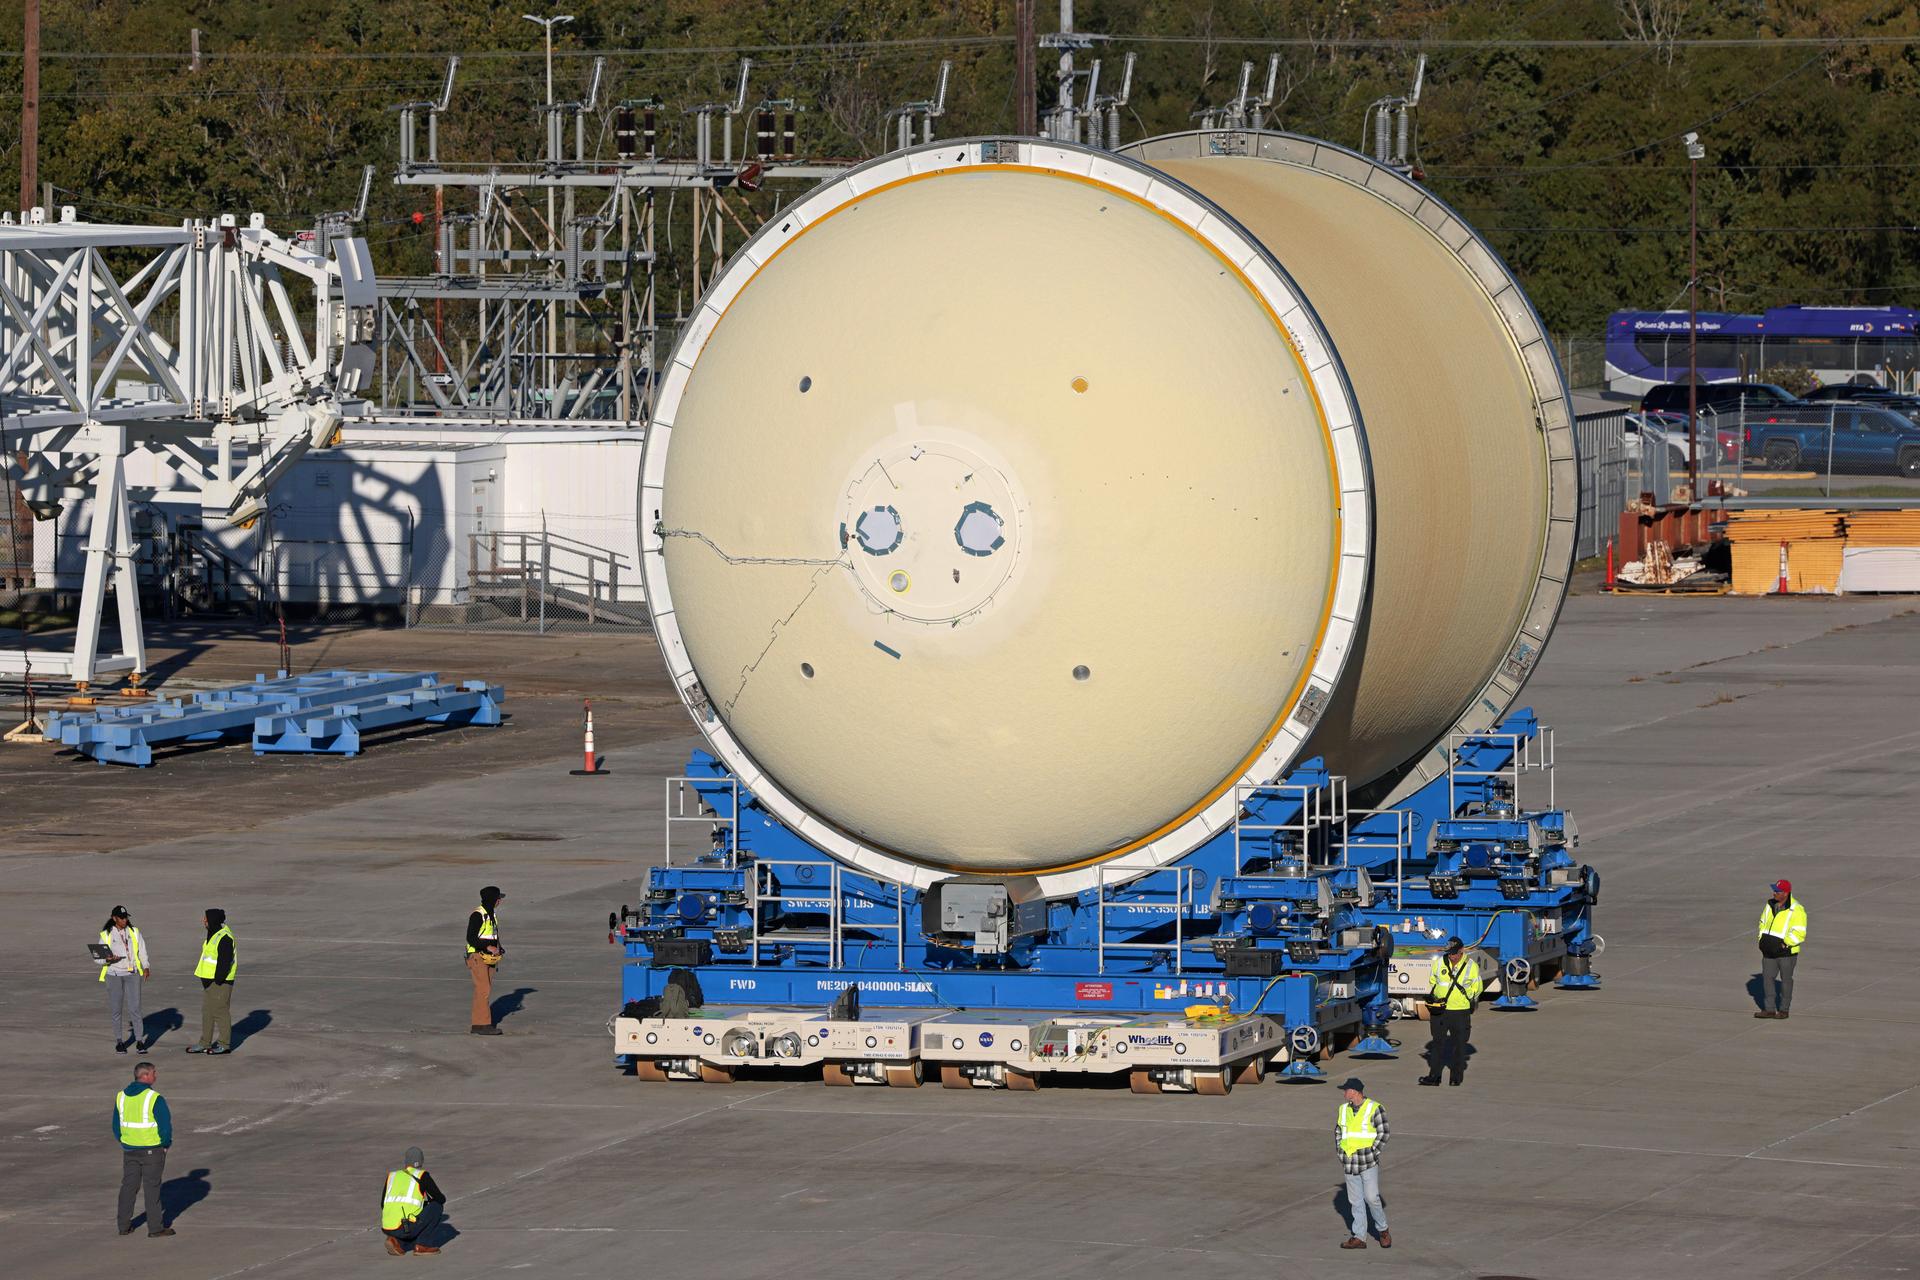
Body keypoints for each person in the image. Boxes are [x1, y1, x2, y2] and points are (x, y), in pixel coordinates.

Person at [113, 1061, 175, 1237]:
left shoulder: (121, 1097)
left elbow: (116, 1125)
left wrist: (125, 1141)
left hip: (130, 1150)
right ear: (145, 1076)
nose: (156, 1075)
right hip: (152, 1150)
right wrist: (165, 1144)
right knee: (152, 1188)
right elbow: (165, 1126)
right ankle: (155, 1228)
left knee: (128, 1187)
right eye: (154, 1072)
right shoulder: (154, 1098)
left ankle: (123, 1226)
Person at [1335, 1077, 1391, 1250]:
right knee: (1355, 1201)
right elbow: (1338, 1131)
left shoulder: (1374, 1108)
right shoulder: (1343, 1109)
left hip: (1367, 1162)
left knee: (1372, 1198)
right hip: (1350, 1163)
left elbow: (1384, 1133)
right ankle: (1359, 1237)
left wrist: (1373, 1152)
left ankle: (1383, 1230)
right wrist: (1340, 1151)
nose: (1344, 1093)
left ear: (1354, 1091)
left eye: (1346, 1090)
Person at [1419, 937, 1482, 1086]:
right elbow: (1433, 980)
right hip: (1440, 1010)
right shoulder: (1440, 962)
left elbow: (1477, 987)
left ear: (1461, 951)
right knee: (1437, 1043)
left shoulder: (1471, 966)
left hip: (1460, 1011)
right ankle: (1434, 1076)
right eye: (1449, 952)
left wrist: (1467, 997)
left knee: (1459, 1045)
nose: (1451, 956)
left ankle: (1456, 1077)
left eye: (1454, 953)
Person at [99, 905, 151, 1053]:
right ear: (114, 918)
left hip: (132, 974)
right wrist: (108, 959)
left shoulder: (134, 932)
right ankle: (119, 1041)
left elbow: (142, 950)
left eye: (126, 917)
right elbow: (98, 959)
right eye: (121, 918)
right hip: (114, 975)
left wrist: (146, 966)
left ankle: (140, 1041)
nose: (125, 920)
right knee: (116, 1010)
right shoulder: (106, 935)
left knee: (135, 1008)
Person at [1756, 879, 1809, 1019]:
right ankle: (1769, 1009)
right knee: (1767, 979)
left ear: (1785, 893)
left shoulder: (1796, 909)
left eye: (1777, 891)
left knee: (1786, 980)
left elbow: (1799, 932)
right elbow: (1762, 923)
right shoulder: (1769, 905)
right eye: (1774, 890)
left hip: (1786, 953)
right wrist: (1761, 940)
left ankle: (1784, 1010)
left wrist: (1786, 944)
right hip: (1768, 951)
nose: (1774, 893)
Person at [381, 1146, 447, 1255]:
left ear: (406, 1161)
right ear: (421, 1161)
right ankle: (423, 1245)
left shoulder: (392, 1176)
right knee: (436, 1207)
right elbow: (440, 1199)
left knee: (410, 1221)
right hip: (405, 1227)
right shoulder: (422, 1176)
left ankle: (396, 1241)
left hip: (387, 1226)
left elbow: (383, 1204)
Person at [187, 909, 236, 1054]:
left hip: (220, 982)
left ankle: (224, 1044)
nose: (204, 921)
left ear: (213, 920)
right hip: (209, 983)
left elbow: (224, 962)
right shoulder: (213, 934)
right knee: (207, 1012)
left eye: (206, 918)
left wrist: (218, 980)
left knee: (220, 1012)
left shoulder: (224, 937)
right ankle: (205, 1043)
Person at [467, 886, 506, 1035]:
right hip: (477, 957)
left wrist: (497, 948)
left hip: (488, 958)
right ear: (493, 899)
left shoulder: (491, 914)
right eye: (498, 898)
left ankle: (477, 1024)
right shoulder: (478, 915)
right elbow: (470, 938)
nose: (500, 901)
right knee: (484, 990)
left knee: (482, 990)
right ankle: (483, 1025)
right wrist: (488, 947)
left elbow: (490, 936)